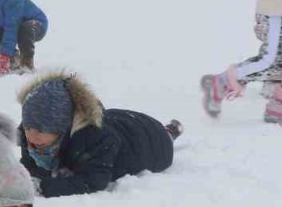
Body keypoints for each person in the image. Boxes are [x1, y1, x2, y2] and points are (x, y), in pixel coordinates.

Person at [18, 72, 181, 198]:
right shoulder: (29, 134)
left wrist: (42, 187)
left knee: (163, 136)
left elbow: (93, 180)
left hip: (153, 141)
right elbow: (28, 165)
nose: (32, 137)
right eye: (28, 128)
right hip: (119, 120)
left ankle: (170, 132)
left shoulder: (95, 140)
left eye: (41, 130)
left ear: (63, 129)